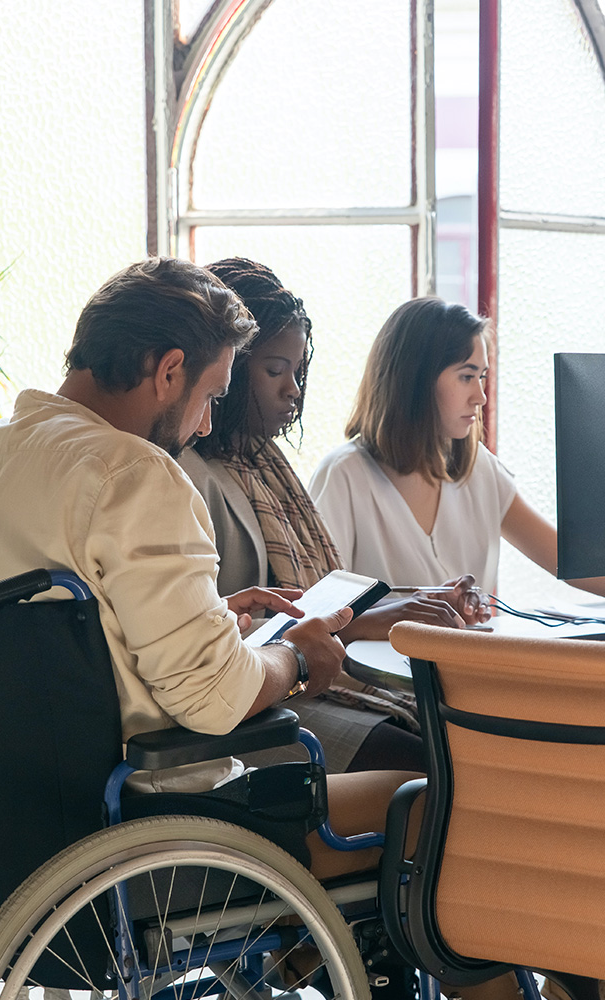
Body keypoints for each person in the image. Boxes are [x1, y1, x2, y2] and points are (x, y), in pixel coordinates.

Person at [0, 256, 416, 877]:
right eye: (211, 397)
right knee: (438, 802)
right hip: (168, 827)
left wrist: (208, 619)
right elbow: (213, 700)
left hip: (22, 825)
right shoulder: (135, 475)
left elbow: (68, 656)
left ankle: (319, 951)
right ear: (170, 370)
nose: (205, 423)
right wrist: (299, 655)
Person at [179, 258, 484, 776]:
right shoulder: (190, 475)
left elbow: (315, 594)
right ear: (225, 363)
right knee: (442, 766)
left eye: (298, 373)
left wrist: (414, 599)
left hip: (290, 686)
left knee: (460, 745)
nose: (293, 390)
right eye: (275, 371)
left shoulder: (263, 463)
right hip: (257, 708)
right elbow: (228, 639)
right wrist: (367, 621)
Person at [309, 296, 605, 600]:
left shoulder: (480, 470)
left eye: (482, 376)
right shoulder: (343, 476)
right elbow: (317, 614)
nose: (481, 396)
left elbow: (573, 564)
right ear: (415, 379)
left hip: (469, 648)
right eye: (466, 376)